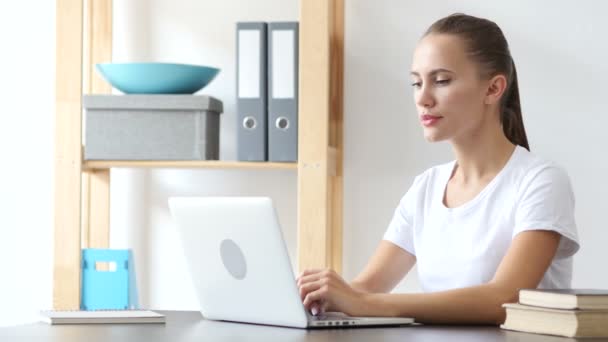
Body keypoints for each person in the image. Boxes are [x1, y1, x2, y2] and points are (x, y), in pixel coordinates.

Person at [296, 13, 579, 325]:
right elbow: (364, 289)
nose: (423, 98)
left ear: (493, 88)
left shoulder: (540, 182)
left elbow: (506, 299)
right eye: (417, 83)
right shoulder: (426, 188)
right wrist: (320, 296)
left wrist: (365, 302)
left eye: (441, 80)